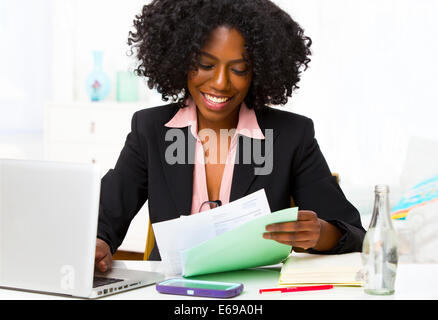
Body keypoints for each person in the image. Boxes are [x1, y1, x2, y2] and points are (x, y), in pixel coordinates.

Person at [95, 0, 365, 273]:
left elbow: (355, 233)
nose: (221, 82)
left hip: (254, 293)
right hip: (170, 291)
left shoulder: (291, 135)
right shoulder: (150, 129)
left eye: (238, 69)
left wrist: (320, 233)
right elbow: (105, 218)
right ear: (179, 60)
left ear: (258, 70)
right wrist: (99, 243)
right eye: (205, 64)